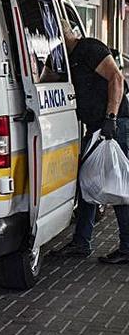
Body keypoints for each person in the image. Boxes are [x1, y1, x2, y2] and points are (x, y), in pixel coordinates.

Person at [52, 17, 129, 264]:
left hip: (115, 125)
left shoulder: (89, 48)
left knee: (117, 185)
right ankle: (80, 243)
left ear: (65, 35)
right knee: (87, 182)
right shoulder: (62, 57)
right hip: (95, 127)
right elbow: (48, 78)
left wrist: (111, 118)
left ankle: (126, 247)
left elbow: (117, 79)